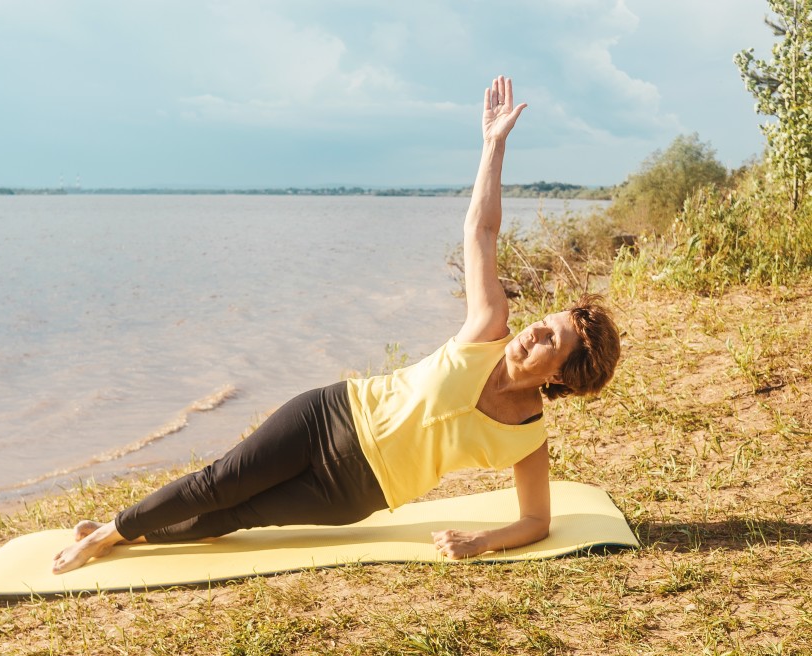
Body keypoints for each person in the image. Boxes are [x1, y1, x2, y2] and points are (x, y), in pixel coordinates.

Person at [52, 75, 621, 575]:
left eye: (552, 339)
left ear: (565, 375)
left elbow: (535, 521)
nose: (533, 331)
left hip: (357, 491)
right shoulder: (488, 328)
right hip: (330, 414)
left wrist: (483, 541)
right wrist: (492, 147)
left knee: (240, 515)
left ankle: (136, 533)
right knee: (219, 482)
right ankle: (113, 531)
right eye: (544, 322)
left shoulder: (527, 435)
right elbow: (481, 231)